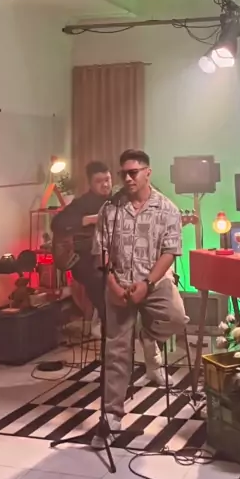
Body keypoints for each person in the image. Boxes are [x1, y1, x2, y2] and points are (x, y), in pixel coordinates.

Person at [92, 149, 188, 444]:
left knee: (175, 318)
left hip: (153, 283)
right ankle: (111, 416)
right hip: (119, 285)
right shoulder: (110, 208)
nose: (128, 178)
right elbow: (101, 250)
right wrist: (112, 285)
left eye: (133, 172)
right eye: (123, 173)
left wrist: (147, 283)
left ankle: (146, 331)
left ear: (148, 172)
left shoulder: (167, 209)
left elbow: (170, 251)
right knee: (117, 351)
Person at [51, 159, 169, 385]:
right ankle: (115, 360)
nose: (105, 184)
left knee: (142, 295)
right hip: (87, 264)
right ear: (90, 183)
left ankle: (145, 359)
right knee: (109, 298)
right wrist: (90, 219)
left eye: (107, 180)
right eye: (99, 181)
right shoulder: (82, 203)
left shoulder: (121, 198)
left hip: (117, 263)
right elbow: (57, 224)